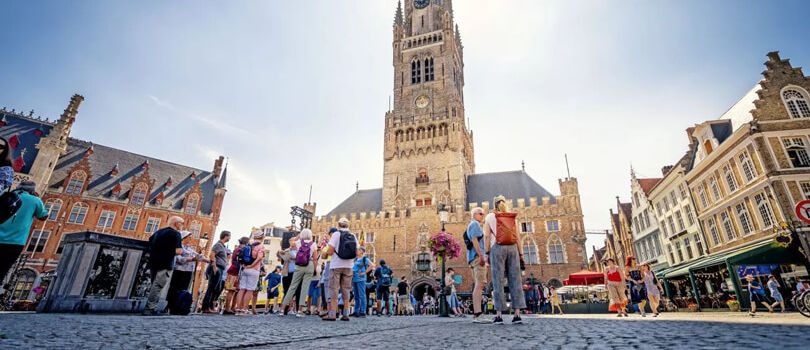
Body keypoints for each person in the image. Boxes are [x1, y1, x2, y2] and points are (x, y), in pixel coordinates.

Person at [483, 195, 525, 324]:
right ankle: (517, 314)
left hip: (497, 248)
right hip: (513, 248)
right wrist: (521, 254)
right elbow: (518, 237)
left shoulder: (490, 217)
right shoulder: (512, 217)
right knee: (516, 280)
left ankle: (499, 315)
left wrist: (486, 253)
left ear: (494, 204)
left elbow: (486, 236)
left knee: (498, 281)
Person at [0, 181, 47, 287]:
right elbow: (43, 216)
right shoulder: (35, 200)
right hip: (15, 242)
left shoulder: (4, 195)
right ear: (32, 190)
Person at [144, 216, 184, 315]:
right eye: (181, 223)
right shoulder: (176, 234)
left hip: (153, 262)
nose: (182, 226)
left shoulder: (158, 232)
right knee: (158, 285)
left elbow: (150, 242)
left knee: (153, 284)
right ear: (176, 223)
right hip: (166, 263)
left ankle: (151, 307)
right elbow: (179, 251)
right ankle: (150, 308)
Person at [323, 218, 358, 321]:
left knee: (334, 289)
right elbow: (357, 252)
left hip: (336, 265)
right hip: (349, 266)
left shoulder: (336, 234)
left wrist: (324, 254)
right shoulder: (353, 235)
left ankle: (332, 314)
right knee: (346, 290)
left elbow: (330, 251)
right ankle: (346, 314)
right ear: (348, 225)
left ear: (338, 225)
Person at [168, 231, 210, 314]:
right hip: (179, 271)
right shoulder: (179, 247)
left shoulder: (189, 248)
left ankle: (180, 307)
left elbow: (198, 256)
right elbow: (179, 259)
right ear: (184, 238)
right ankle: (172, 307)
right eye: (189, 237)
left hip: (188, 272)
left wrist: (208, 261)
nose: (191, 239)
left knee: (184, 290)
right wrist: (192, 259)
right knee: (176, 289)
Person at [280, 229, 318, 317]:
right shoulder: (313, 244)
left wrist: (299, 236)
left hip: (299, 265)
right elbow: (315, 258)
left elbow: (292, 242)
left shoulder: (298, 243)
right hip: (309, 264)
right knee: (304, 288)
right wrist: (315, 269)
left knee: (292, 287)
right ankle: (300, 311)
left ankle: (282, 309)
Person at [466, 207, 488, 323]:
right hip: (477, 257)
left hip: (472, 258)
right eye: (481, 213)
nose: (483, 215)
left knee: (478, 285)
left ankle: (477, 314)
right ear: (474, 214)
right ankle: (478, 314)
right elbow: (474, 240)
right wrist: (481, 256)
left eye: (483, 214)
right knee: (480, 284)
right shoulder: (475, 224)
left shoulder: (472, 224)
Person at [235, 230, 265, 315]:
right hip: (254, 270)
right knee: (250, 290)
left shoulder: (248, 244)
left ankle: (238, 308)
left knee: (242, 289)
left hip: (244, 269)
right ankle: (244, 309)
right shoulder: (261, 246)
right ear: (262, 237)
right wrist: (251, 265)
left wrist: (245, 266)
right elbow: (259, 258)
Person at [202, 231, 231, 313]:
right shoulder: (218, 245)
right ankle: (205, 307)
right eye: (229, 236)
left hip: (220, 268)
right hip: (217, 268)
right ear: (225, 236)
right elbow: (212, 255)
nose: (230, 238)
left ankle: (209, 307)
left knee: (215, 288)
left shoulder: (222, 246)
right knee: (211, 288)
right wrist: (214, 267)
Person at [222, 237, 249, 315]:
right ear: (246, 243)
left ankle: (232, 308)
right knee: (231, 290)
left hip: (236, 271)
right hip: (234, 271)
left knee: (236, 291)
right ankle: (227, 308)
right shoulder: (240, 250)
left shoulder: (237, 249)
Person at [352, 246, 374, 317]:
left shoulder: (364, 259)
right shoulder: (355, 259)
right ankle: (356, 311)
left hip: (361, 279)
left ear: (362, 251)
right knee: (356, 296)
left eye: (358, 250)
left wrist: (364, 272)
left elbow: (371, 265)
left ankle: (363, 311)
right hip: (354, 279)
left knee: (362, 295)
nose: (356, 251)